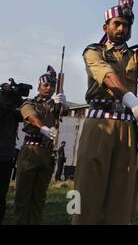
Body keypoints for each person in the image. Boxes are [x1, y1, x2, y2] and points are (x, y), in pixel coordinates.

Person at [72, 0, 138, 224]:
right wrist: (131, 99)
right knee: (87, 195)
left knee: (122, 200)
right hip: (99, 125)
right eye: (117, 23)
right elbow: (107, 76)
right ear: (105, 27)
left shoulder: (133, 54)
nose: (122, 29)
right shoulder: (93, 51)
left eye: (126, 25)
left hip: (127, 130)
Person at [15, 66, 69, 224]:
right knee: (23, 196)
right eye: (45, 85)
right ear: (39, 86)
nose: (49, 88)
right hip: (30, 151)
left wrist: (64, 105)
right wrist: (43, 128)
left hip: (47, 152)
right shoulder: (29, 102)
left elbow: (62, 114)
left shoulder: (55, 104)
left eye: (52, 85)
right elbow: (31, 116)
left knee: (39, 197)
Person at [0, 82, 27, 224]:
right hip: (5, 155)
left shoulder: (12, 111)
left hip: (6, 157)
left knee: (1, 196)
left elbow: (24, 112)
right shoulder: (4, 108)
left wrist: (16, 96)